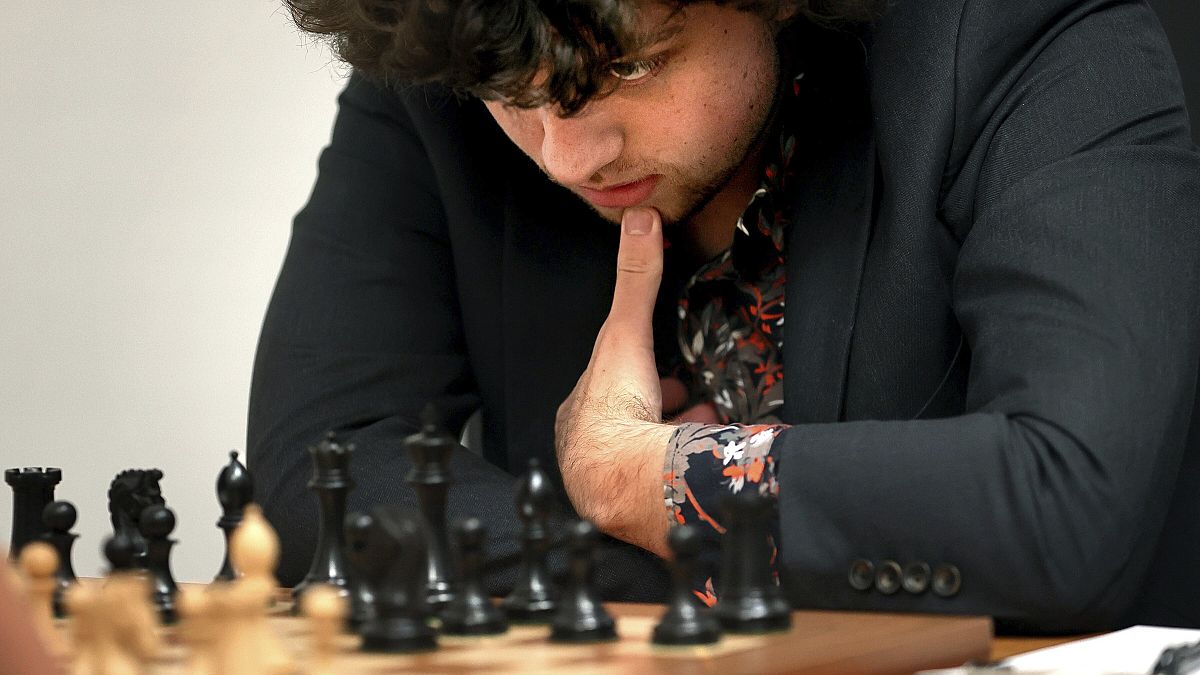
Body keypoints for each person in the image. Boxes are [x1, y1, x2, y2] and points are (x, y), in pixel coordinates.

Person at [248, 0, 1200, 633]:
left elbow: (1068, 506)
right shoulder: (454, 48)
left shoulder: (1024, 35)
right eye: (512, 100)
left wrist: (636, 477)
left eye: (628, 65)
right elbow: (318, 473)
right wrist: (712, 571)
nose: (568, 154)